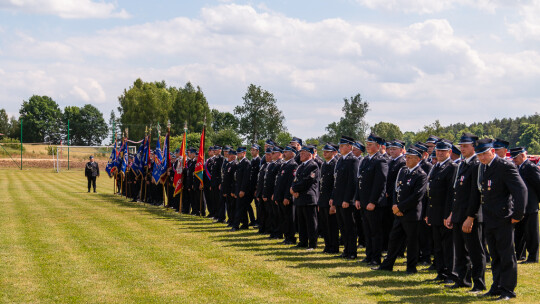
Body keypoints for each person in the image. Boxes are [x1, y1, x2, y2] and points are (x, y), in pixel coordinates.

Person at [475, 138, 527, 301]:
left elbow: (521, 190)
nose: (482, 157)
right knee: (495, 255)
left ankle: (508, 289)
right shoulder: (484, 167)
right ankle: (497, 286)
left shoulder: (505, 166)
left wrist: (517, 215)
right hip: (489, 218)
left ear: (492, 151)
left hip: (504, 218)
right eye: (479, 155)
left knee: (506, 255)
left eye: (485, 154)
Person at [373, 147, 427, 274]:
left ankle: (411, 267)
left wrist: (400, 207)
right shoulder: (403, 171)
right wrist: (394, 205)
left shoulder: (421, 174)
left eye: (410, 158)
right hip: (398, 212)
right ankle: (387, 264)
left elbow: (417, 196)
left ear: (418, 159)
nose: (406, 160)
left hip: (411, 214)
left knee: (412, 242)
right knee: (394, 239)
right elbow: (395, 190)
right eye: (406, 157)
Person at [445, 133, 486, 292]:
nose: (462, 148)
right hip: (458, 214)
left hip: (471, 215)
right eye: (461, 146)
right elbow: (457, 193)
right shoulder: (463, 164)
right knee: (460, 251)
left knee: (475, 251)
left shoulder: (477, 164)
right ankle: (462, 279)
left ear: (474, 146)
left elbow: (475, 195)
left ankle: (479, 283)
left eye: (466, 146)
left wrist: (470, 217)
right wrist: (451, 214)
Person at [425, 140, 457, 283]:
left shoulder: (452, 167)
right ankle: (441, 272)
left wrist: (448, 214)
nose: (440, 153)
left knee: (448, 247)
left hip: (445, 213)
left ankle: (451, 274)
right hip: (434, 212)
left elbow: (451, 193)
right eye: (438, 151)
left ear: (449, 152)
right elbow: (429, 192)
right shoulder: (435, 167)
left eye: (443, 151)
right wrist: (428, 213)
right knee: (437, 246)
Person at [355, 133, 388, 266]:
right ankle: (369, 255)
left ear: (378, 146)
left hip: (373, 203)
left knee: (375, 232)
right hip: (363, 201)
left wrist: (373, 201)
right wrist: (357, 198)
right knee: (367, 231)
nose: (367, 147)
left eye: (370, 145)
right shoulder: (365, 160)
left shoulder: (380, 160)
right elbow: (359, 181)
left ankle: (376, 257)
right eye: (367, 144)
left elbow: (380, 183)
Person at [330, 135, 359, 259]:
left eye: (342, 146)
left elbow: (352, 182)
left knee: (349, 227)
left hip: (347, 200)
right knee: (342, 227)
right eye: (340, 146)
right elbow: (336, 181)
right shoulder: (341, 160)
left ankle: (352, 251)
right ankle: (346, 250)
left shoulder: (353, 160)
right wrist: (333, 197)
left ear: (349, 147)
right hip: (338, 199)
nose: (340, 148)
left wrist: (347, 199)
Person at [511, 147, 540, 263]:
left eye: (515, 157)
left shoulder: (530, 167)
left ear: (522, 155)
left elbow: (538, 185)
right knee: (519, 232)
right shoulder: (517, 167)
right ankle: (520, 254)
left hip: (530, 205)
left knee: (531, 233)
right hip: (520, 206)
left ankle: (533, 257)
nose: (514, 160)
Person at [292, 145, 320, 250]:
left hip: (309, 198)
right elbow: (295, 180)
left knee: (311, 222)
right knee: (301, 222)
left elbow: (307, 181)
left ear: (309, 154)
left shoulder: (313, 166)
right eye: (301, 153)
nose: (300, 155)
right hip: (299, 197)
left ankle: (312, 244)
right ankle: (302, 241)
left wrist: (294, 189)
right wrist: (293, 188)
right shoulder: (300, 166)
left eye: (303, 153)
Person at [274, 145, 298, 244]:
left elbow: (290, 183)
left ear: (292, 153)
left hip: (286, 197)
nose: (284, 153)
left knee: (289, 218)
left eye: (287, 151)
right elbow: (279, 182)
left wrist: (287, 196)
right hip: (280, 196)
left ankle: (291, 238)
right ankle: (286, 236)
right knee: (283, 217)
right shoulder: (284, 164)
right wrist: (276, 196)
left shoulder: (293, 165)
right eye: (284, 151)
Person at [318, 143, 339, 253]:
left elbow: (335, 185)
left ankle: (334, 247)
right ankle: (327, 245)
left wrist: (333, 201)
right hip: (323, 199)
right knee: (324, 225)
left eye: (327, 151)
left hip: (330, 200)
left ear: (334, 153)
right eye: (324, 151)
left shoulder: (335, 164)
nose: (324, 153)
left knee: (332, 226)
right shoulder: (324, 164)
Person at [231, 147, 251, 231]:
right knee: (242, 208)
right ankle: (245, 224)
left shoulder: (246, 163)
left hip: (243, 189)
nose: (238, 154)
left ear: (244, 153)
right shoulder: (240, 163)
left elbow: (246, 178)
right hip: (239, 188)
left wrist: (242, 190)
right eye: (237, 153)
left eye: (240, 153)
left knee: (239, 208)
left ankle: (236, 226)